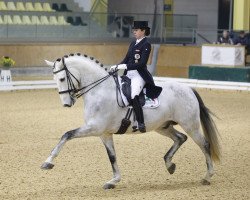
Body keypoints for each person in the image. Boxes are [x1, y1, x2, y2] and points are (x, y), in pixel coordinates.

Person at [110, 21, 162, 133]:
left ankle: (141, 122)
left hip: (139, 74)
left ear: (143, 31)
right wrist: (117, 66)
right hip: (128, 73)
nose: (134, 32)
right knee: (115, 86)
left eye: (137, 30)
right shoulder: (133, 43)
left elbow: (142, 64)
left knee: (134, 95)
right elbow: (126, 59)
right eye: (134, 30)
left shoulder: (146, 44)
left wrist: (125, 66)